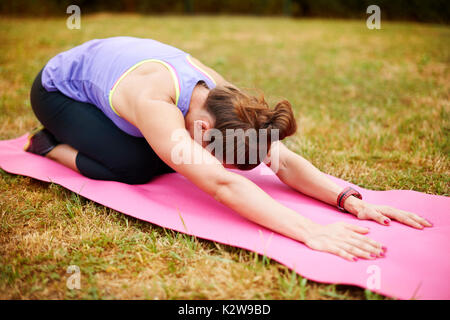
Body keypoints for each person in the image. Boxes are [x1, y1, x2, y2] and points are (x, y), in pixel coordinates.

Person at [25, 37, 432, 261]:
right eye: (225, 154)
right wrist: (312, 232)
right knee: (137, 163)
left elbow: (282, 160)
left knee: (172, 155)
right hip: (58, 91)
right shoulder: (155, 101)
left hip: (114, 75)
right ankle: (46, 144)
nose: (229, 165)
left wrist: (348, 200)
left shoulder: (223, 98)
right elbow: (220, 185)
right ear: (203, 128)